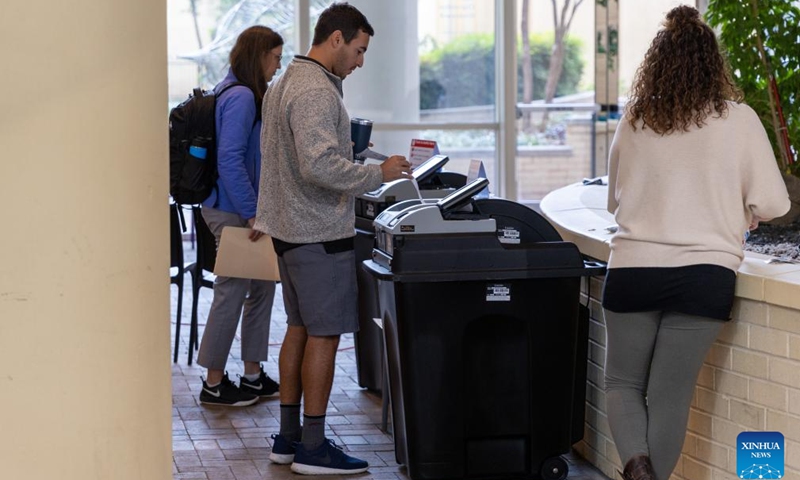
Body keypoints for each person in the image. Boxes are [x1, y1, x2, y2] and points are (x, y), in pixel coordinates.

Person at [602, 6, 790, 480]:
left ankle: (636, 470)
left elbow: (614, 200)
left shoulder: (636, 119)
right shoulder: (740, 119)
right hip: (705, 276)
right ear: (713, 63)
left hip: (632, 270)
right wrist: (740, 209)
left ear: (656, 63)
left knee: (623, 384)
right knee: (670, 395)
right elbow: (775, 204)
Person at [254, 2, 411, 475]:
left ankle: (288, 438)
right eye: (359, 51)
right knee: (324, 335)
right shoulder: (316, 91)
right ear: (337, 39)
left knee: (299, 329)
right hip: (318, 232)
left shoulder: (284, 82)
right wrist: (375, 173)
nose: (360, 62)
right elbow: (317, 164)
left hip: (288, 230)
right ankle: (315, 448)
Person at [197, 26, 284, 407]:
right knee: (232, 290)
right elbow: (230, 159)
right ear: (259, 55)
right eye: (275, 57)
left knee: (263, 286)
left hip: (241, 207)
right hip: (232, 210)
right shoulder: (243, 96)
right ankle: (213, 384)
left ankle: (252, 375)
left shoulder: (229, 89)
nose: (278, 65)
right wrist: (251, 214)